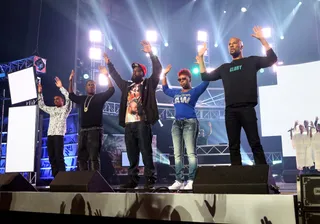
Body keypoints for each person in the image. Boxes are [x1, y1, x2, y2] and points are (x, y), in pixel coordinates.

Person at [198, 26, 278, 165]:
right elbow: (205, 76)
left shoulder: (251, 61)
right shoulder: (224, 68)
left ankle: (263, 178)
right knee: (233, 146)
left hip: (247, 108)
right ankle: (237, 179)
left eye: (234, 43)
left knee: (255, 143)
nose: (231, 46)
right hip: (230, 111)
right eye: (229, 44)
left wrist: (263, 40)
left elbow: (272, 59)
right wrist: (200, 58)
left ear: (241, 46)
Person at [103, 40, 162, 189]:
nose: (135, 72)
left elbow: (158, 70)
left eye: (138, 71)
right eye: (134, 70)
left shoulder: (149, 84)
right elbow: (116, 78)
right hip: (129, 123)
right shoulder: (127, 86)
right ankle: (133, 180)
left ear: (143, 73)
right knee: (131, 154)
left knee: (146, 152)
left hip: (143, 122)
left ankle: (150, 180)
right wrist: (109, 64)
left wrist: (151, 53)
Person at [162, 64, 209, 190]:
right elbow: (165, 89)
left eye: (184, 79)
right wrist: (164, 75)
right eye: (180, 79)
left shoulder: (194, 91)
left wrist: (201, 64)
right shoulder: (176, 92)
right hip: (177, 123)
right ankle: (179, 180)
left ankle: (191, 180)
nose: (182, 81)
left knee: (191, 153)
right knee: (177, 154)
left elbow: (206, 81)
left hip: (190, 122)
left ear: (189, 79)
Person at [68, 69, 115, 171]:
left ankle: (95, 181)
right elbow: (71, 95)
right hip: (83, 130)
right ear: (86, 87)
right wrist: (70, 81)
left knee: (93, 157)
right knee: (81, 157)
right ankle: (84, 180)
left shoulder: (100, 97)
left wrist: (107, 76)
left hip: (95, 129)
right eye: (89, 84)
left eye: (93, 85)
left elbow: (111, 90)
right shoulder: (82, 98)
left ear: (95, 87)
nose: (91, 86)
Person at [37, 76, 72, 177]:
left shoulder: (65, 109)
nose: (55, 100)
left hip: (58, 135)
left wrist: (61, 87)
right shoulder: (52, 110)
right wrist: (40, 93)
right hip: (50, 135)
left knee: (59, 157)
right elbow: (41, 105)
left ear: (62, 101)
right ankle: (55, 178)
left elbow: (69, 98)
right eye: (54, 99)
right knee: (51, 157)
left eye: (58, 99)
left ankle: (63, 178)